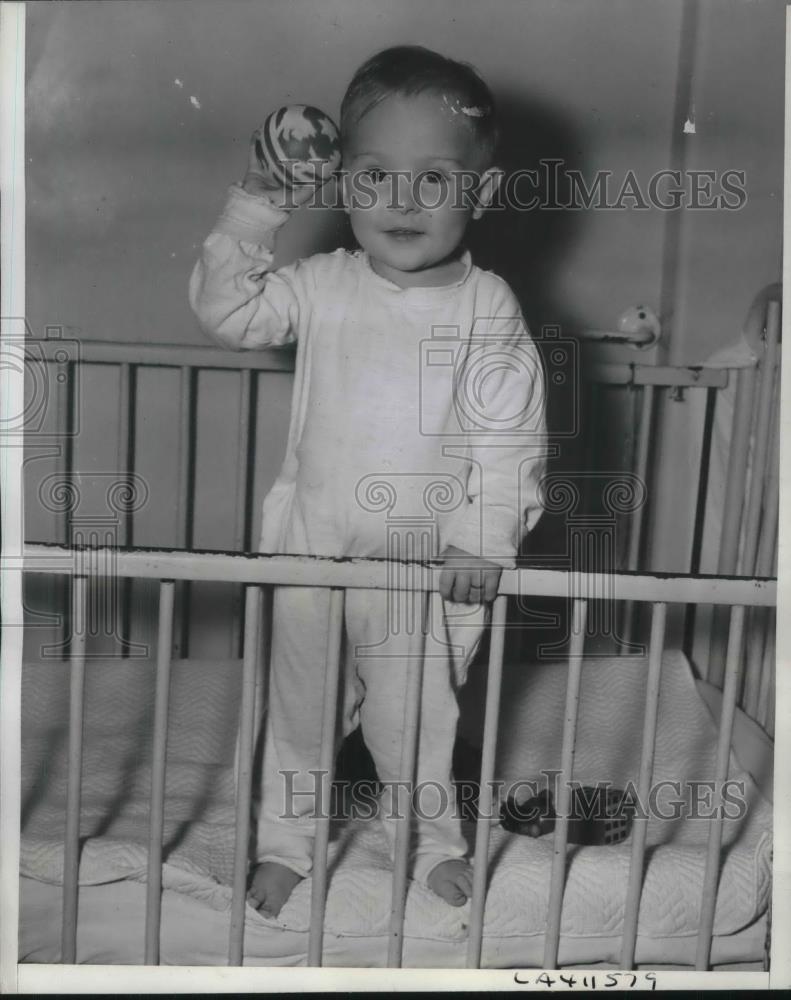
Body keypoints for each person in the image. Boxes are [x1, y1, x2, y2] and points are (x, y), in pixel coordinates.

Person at [189, 45, 546, 918]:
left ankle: (428, 842)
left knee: (413, 718)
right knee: (298, 708)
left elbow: (511, 435)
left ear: (481, 194)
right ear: (343, 182)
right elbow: (231, 313)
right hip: (312, 542)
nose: (401, 199)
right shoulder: (319, 284)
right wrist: (257, 205)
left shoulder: (485, 305)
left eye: (434, 178)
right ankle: (285, 843)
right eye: (376, 174)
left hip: (420, 559)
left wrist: (485, 536)